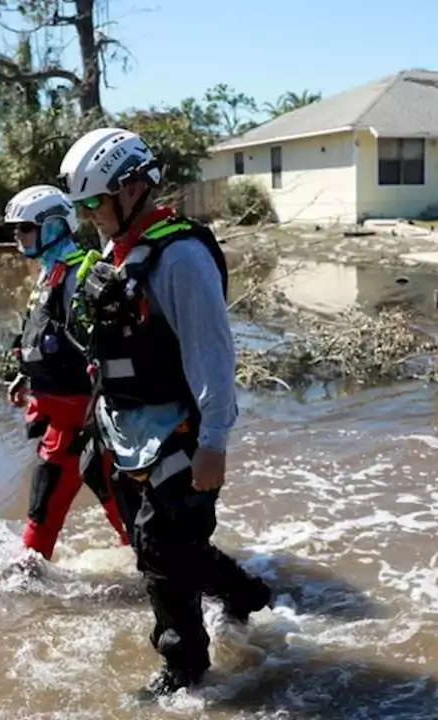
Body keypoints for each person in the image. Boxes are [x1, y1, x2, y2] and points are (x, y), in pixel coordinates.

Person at [56, 127, 272, 698]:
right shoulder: (114, 252)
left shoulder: (179, 257)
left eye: (92, 202)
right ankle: (246, 594)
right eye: (79, 205)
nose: (87, 215)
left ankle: (186, 674)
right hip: (128, 435)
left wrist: (215, 442)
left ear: (131, 189)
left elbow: (212, 354)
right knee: (167, 548)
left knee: (162, 560)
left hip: (180, 436)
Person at [3, 184, 129, 566]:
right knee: (44, 518)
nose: (17, 236)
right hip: (60, 424)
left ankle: (171, 584)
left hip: (90, 427)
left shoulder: (80, 277)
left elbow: (111, 350)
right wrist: (25, 376)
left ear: (54, 226)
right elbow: (47, 338)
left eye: (24, 228)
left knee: (128, 519)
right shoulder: (49, 275)